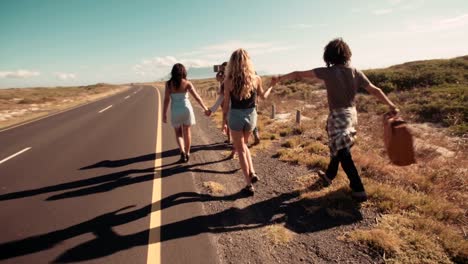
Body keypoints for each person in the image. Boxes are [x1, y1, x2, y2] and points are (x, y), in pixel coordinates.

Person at [271, 38, 399, 202]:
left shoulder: (328, 72)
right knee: (339, 146)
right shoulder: (355, 71)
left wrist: (279, 78)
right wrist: (391, 105)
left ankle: (358, 188)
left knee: (343, 152)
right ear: (347, 54)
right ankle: (329, 176)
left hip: (339, 116)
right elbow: (375, 90)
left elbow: (297, 74)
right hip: (352, 115)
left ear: (328, 56)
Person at [223, 49, 274, 195]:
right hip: (251, 116)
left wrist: (224, 121)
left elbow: (226, 105)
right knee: (244, 146)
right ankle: (252, 172)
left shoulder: (228, 81)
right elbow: (263, 96)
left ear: (232, 63)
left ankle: (248, 184)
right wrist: (272, 85)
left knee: (240, 149)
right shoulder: (256, 78)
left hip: (236, 117)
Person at [163, 63, 209, 163]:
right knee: (187, 132)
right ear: (183, 72)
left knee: (178, 133)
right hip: (186, 109)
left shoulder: (168, 84)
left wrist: (164, 114)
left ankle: (182, 151)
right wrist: (205, 108)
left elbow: (166, 100)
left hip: (175, 110)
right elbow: (197, 97)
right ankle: (187, 153)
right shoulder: (187, 83)